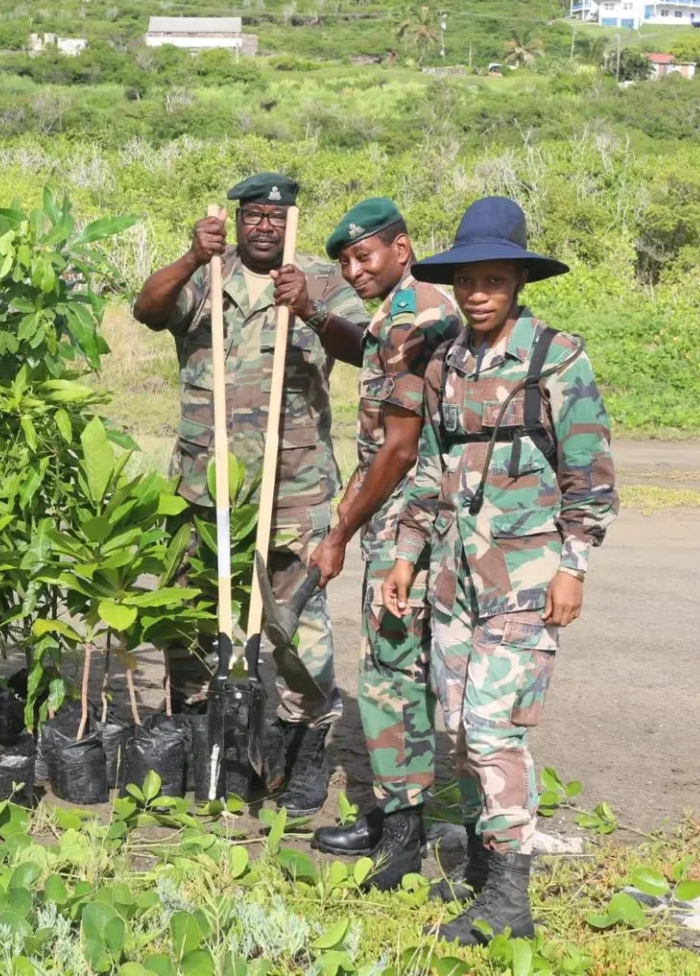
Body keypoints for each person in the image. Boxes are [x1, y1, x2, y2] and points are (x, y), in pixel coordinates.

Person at [382, 196, 618, 943]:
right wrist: (404, 555)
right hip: (453, 582)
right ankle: (489, 860)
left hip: (525, 576)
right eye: (467, 281)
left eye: (494, 279)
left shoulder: (556, 358)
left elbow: (592, 479)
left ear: (519, 280)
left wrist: (572, 566)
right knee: (457, 726)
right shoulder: (447, 360)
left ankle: (511, 898)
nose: (478, 293)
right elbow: (429, 470)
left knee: (490, 730)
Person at [134, 173, 369, 813]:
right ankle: (198, 728)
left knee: (295, 623)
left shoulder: (318, 279)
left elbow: (362, 350)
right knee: (187, 612)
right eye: (252, 215)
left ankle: (305, 738)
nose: (264, 225)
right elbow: (147, 309)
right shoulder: (208, 275)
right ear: (236, 221)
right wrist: (192, 256)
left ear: (291, 221)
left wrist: (312, 312)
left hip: (293, 486)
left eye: (275, 216)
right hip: (203, 482)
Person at [308, 199, 461, 889]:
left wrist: (340, 529)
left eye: (363, 255)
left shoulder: (414, 316)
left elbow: (398, 449)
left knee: (391, 675)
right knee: (394, 668)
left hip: (410, 518)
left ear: (402, 247)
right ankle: (396, 809)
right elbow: (367, 353)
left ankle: (402, 839)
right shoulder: (402, 309)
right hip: (401, 513)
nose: (352, 268)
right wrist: (316, 318)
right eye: (343, 260)